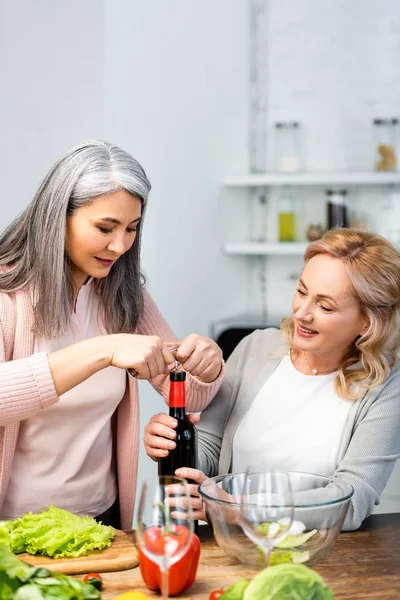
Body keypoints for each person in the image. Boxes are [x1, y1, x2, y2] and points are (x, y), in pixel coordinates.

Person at [0, 140, 223, 529]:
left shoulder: (122, 294)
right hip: (13, 525)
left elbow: (188, 393)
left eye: (131, 229)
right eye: (105, 228)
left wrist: (207, 364)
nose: (120, 246)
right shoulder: (8, 292)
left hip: (102, 519)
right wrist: (102, 350)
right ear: (58, 217)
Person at [145, 228, 400, 530]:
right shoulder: (256, 347)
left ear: (367, 322)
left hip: (322, 557)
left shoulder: (385, 383)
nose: (302, 313)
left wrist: (242, 509)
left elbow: (353, 501)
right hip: (233, 548)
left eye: (325, 305)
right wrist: (174, 445)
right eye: (302, 291)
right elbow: (208, 453)